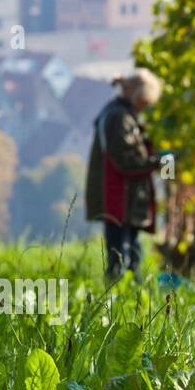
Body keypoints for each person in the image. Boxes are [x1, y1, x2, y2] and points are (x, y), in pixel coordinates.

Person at [85, 68, 162, 282]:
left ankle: (125, 293)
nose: (145, 108)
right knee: (123, 252)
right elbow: (125, 162)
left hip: (121, 196)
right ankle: (124, 296)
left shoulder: (118, 114)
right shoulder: (120, 118)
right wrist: (161, 161)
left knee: (124, 247)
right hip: (120, 196)